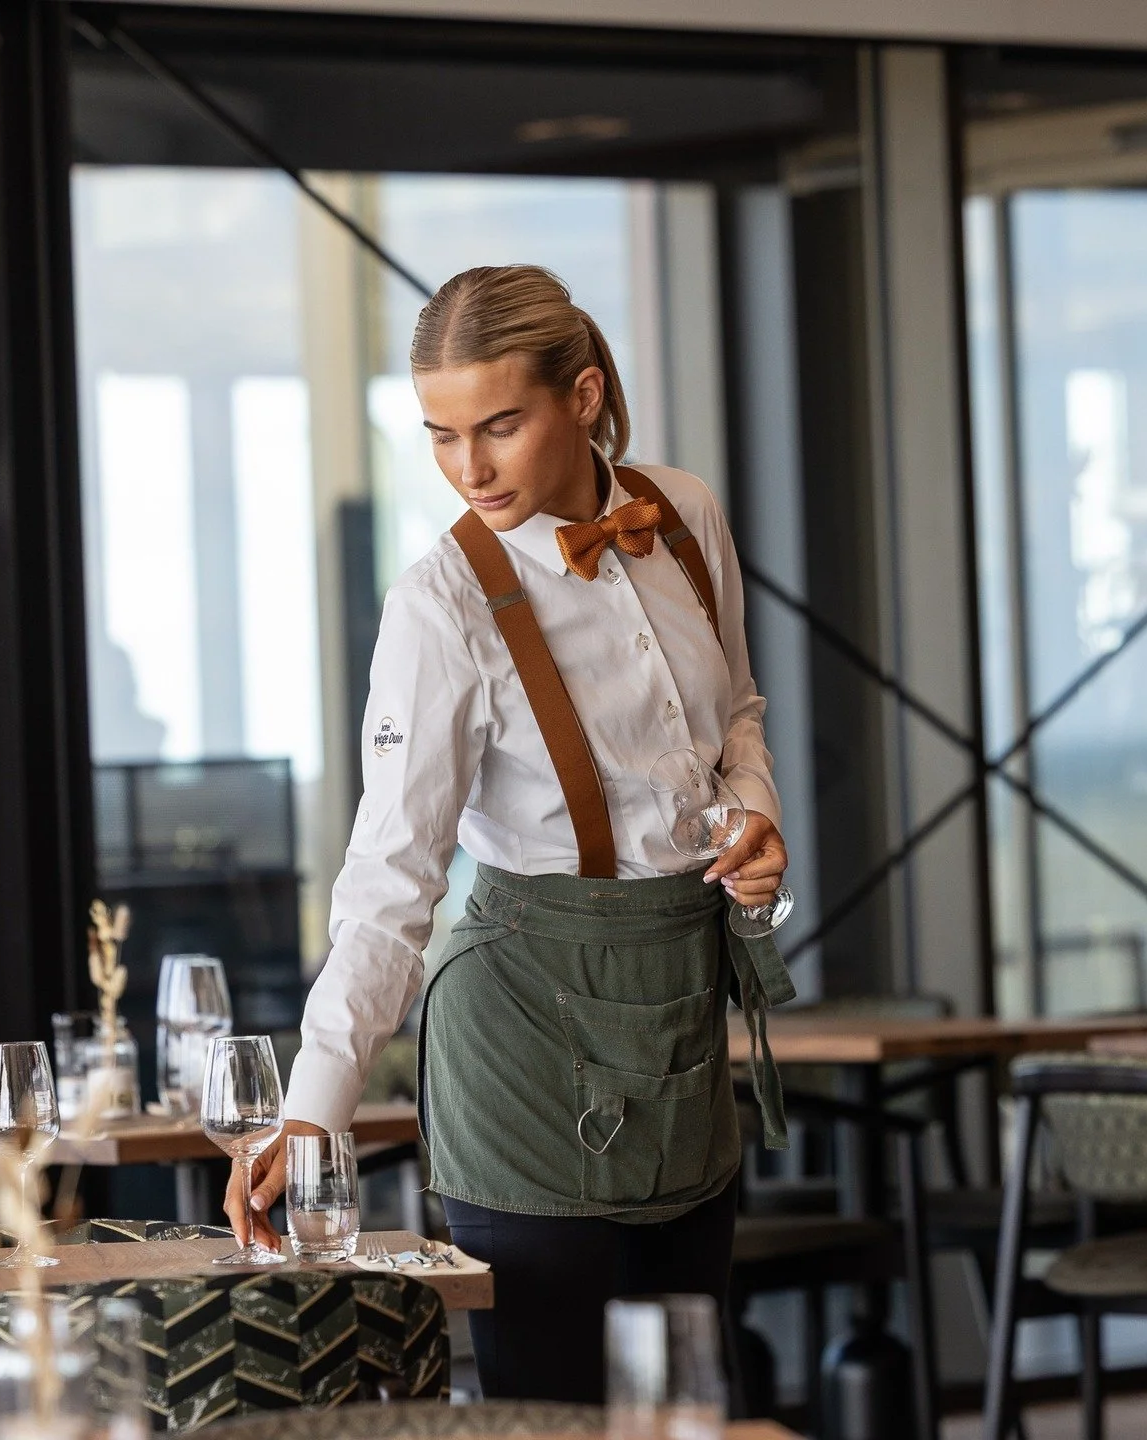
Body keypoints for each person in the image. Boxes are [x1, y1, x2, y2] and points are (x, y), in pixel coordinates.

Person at [224, 263, 795, 1402]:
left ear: (583, 396)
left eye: (500, 425)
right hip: (522, 1031)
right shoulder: (438, 604)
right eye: (439, 434)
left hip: (679, 1009)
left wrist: (757, 812)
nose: (468, 469)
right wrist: (312, 1107)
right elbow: (392, 872)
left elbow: (733, 710)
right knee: (554, 1407)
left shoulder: (682, 513)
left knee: (685, 1398)